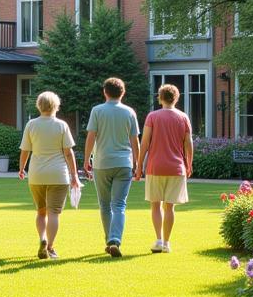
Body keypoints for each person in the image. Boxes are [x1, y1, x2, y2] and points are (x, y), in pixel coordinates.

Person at [18, 91, 81, 259]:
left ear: (39, 105)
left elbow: (25, 150)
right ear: (56, 106)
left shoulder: (31, 125)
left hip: (37, 174)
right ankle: (51, 246)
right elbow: (68, 153)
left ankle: (42, 239)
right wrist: (74, 175)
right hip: (58, 174)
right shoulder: (61, 125)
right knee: (54, 213)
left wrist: (21, 168)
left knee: (41, 211)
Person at [84, 76, 140, 258]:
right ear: (122, 93)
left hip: (102, 162)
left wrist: (86, 159)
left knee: (105, 205)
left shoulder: (97, 111)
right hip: (124, 162)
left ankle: (110, 239)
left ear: (105, 92)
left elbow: (91, 136)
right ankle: (114, 240)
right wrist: (138, 163)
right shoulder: (129, 112)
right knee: (119, 205)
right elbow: (135, 141)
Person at [135, 83, 193, 253]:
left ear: (160, 98)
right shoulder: (183, 117)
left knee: (155, 205)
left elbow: (144, 143)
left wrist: (139, 166)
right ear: (176, 98)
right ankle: (167, 243)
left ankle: (159, 240)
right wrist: (189, 164)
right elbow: (188, 144)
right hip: (176, 167)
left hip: (155, 166)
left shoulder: (152, 117)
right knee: (170, 207)